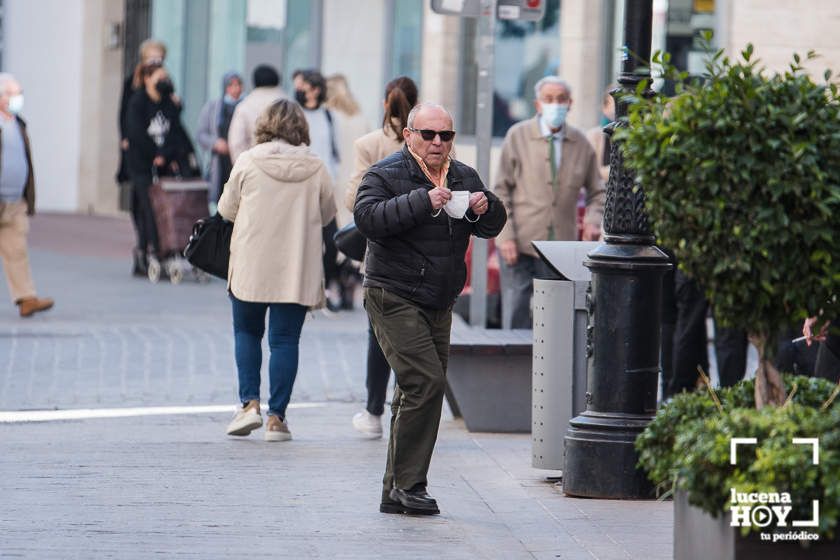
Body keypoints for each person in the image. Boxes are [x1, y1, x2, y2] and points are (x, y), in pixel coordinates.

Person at [354, 103, 507, 515]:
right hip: (393, 293)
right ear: (409, 135)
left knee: (415, 390)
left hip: (439, 299)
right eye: (429, 134)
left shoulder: (463, 174)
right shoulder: (386, 173)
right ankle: (410, 485)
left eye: (447, 136)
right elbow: (367, 218)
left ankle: (394, 490)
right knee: (426, 382)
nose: (438, 143)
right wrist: (423, 201)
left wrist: (486, 206)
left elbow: (492, 224)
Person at [220, 99, 337, 441]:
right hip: (296, 265)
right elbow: (329, 213)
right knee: (285, 340)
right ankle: (277, 418)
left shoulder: (248, 160)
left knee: (247, 333)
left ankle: (249, 405)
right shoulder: (315, 166)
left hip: (250, 263)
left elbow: (226, 209)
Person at [493, 76, 604, 329]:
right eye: (549, 99)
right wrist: (504, 235)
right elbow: (500, 190)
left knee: (558, 320)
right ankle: (514, 367)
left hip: (560, 248)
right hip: (520, 243)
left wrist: (592, 220)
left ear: (570, 103)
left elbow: (598, 192)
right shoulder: (517, 136)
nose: (556, 105)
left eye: (561, 99)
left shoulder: (581, 143)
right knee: (517, 313)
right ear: (538, 104)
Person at [345, 76, 418, 438]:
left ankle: (374, 411)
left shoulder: (368, 144)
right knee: (415, 332)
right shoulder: (433, 142)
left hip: (380, 252)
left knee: (379, 332)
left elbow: (353, 201)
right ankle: (404, 407)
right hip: (422, 253)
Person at [125, 63, 198, 273]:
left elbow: (176, 131)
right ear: (147, 79)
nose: (165, 81)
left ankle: (166, 249)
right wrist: (154, 155)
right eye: (160, 77)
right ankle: (147, 250)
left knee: (166, 208)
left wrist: (165, 155)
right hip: (142, 165)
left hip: (164, 165)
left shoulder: (169, 103)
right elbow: (135, 133)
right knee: (146, 209)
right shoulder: (137, 102)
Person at [0, 73, 54, 318]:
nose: (17, 98)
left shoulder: (18, 123)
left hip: (15, 201)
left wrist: (28, 196)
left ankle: (26, 298)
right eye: (12, 93)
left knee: (17, 250)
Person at [294, 69, 343, 310]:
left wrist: (332, 179)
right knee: (302, 239)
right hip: (300, 187)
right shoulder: (296, 114)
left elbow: (334, 153)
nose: (307, 92)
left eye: (311, 88)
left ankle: (327, 284)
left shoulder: (328, 116)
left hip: (324, 187)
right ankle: (304, 290)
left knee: (331, 240)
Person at [118, 39, 166, 185]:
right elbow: (123, 111)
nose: (156, 63)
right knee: (138, 177)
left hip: (155, 133)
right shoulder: (132, 82)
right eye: (152, 59)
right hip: (137, 133)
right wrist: (125, 136)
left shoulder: (163, 79)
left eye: (159, 59)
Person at [325, 74, 369, 228]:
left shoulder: (328, 117)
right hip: (358, 178)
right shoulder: (360, 116)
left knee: (335, 229)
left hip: (335, 179)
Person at [196, 72, 243, 207]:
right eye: (231, 85)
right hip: (220, 162)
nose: (236, 89)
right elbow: (201, 134)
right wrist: (215, 143)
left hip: (239, 159)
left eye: (239, 84)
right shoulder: (213, 107)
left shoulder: (245, 106)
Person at [228, 65, 286, 163]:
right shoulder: (290, 104)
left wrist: (242, 168)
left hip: (255, 166)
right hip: (287, 167)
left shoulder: (245, 105)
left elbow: (236, 143)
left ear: (254, 81)